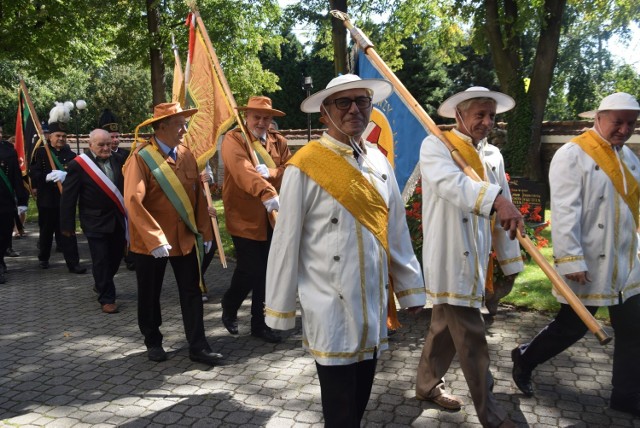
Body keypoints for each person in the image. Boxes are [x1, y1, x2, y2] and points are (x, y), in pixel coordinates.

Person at [264, 74, 426, 427]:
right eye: (343, 102)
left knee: (361, 396)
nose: (354, 109)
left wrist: (411, 288)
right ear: (324, 111)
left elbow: (394, 230)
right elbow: (286, 240)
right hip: (329, 302)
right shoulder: (305, 165)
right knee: (339, 407)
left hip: (371, 302)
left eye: (362, 101)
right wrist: (279, 307)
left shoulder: (379, 163)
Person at [511, 92, 640, 417]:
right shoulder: (573, 153)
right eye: (618, 122)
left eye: (631, 123)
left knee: (635, 328)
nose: (624, 130)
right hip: (590, 261)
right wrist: (570, 258)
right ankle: (526, 359)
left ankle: (625, 396)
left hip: (627, 263)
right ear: (598, 118)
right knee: (571, 327)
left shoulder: (631, 159)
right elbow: (565, 209)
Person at [416, 87, 524, 428]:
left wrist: (510, 259)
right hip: (449, 257)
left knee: (443, 330)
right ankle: (491, 415)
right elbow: (451, 185)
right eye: (480, 114)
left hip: (478, 259)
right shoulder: (436, 145)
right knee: (473, 340)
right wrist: (495, 199)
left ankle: (426, 385)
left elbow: (504, 209)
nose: (487, 121)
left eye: (492, 115)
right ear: (459, 115)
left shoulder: (493, 155)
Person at [123, 102, 222, 366]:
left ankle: (198, 345)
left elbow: (198, 197)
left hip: (185, 237)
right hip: (152, 243)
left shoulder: (187, 155)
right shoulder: (141, 158)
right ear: (162, 126)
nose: (185, 128)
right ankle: (153, 341)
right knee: (149, 293)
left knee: (192, 290)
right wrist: (154, 238)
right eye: (180, 123)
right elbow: (133, 199)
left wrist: (205, 231)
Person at [220, 96, 292, 343]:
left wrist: (272, 172)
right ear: (246, 117)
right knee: (251, 268)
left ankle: (259, 324)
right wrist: (267, 190)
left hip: (273, 216)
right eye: (257, 117)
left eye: (266, 118)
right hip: (244, 215)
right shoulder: (234, 139)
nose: (261, 122)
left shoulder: (279, 141)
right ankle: (229, 304)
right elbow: (242, 171)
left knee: (268, 272)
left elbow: (290, 169)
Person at [60, 129, 126, 314]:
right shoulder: (79, 165)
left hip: (118, 219)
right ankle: (107, 298)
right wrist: (67, 225)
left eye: (108, 144)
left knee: (115, 258)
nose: (106, 148)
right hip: (94, 221)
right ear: (90, 145)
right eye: (101, 145)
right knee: (101, 260)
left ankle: (101, 283)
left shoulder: (119, 160)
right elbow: (68, 197)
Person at [29, 104, 86, 273]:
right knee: (46, 230)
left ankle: (73, 263)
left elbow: (78, 176)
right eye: (57, 135)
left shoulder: (71, 156)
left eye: (63, 136)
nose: (61, 138)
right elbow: (34, 172)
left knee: (68, 232)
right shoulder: (41, 152)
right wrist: (45, 177)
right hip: (47, 199)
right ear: (50, 136)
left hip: (65, 199)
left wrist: (66, 176)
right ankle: (44, 257)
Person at [0, 125, 29, 283]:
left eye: (0, 132)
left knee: (4, 235)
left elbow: (17, 177)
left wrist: (22, 199)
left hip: (5, 202)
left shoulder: (9, 151)